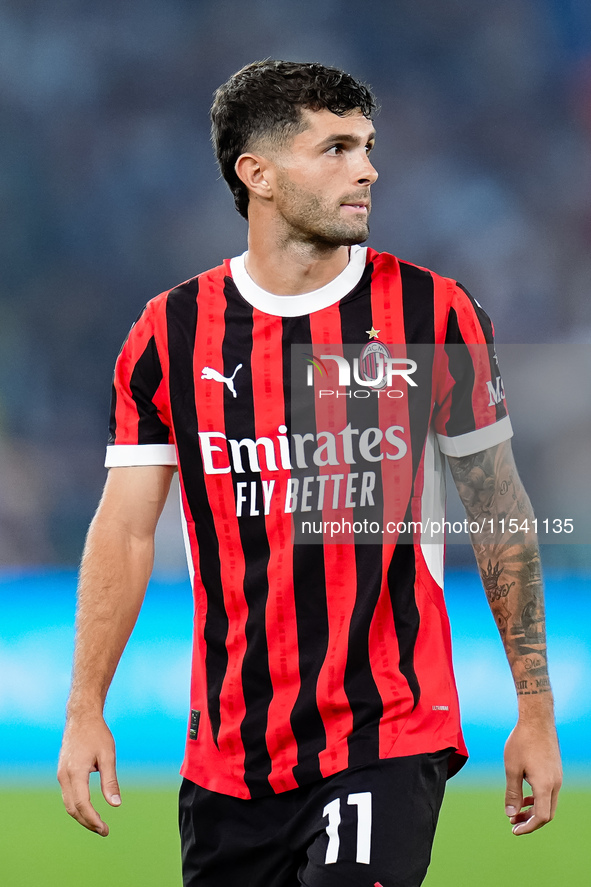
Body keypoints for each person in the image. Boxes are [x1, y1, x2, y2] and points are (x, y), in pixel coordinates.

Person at [58, 60, 562, 886]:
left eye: (366, 146)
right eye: (334, 148)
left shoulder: (434, 312)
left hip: (386, 731)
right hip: (227, 754)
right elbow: (123, 528)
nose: (366, 169)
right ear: (255, 174)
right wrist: (86, 708)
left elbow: (499, 511)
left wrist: (534, 711)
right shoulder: (169, 333)